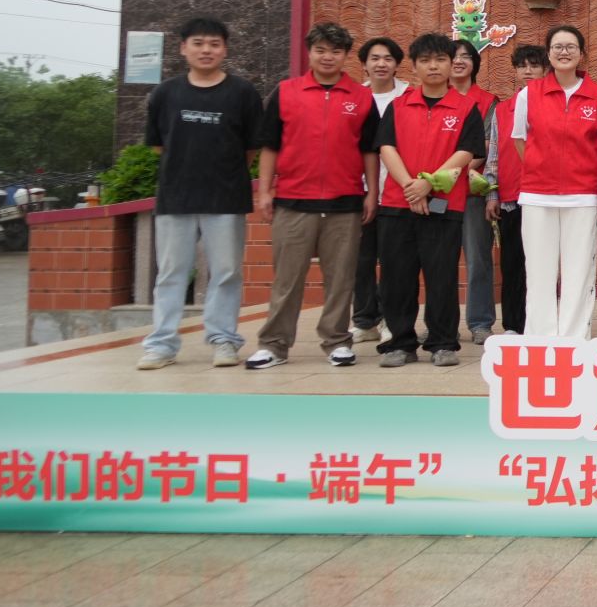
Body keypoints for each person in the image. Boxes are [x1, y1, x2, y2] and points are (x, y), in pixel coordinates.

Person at [245, 22, 376, 370]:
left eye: (335, 51)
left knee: (341, 280)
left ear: (346, 56)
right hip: (293, 201)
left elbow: (369, 151)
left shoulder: (361, 97)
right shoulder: (286, 92)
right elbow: (270, 146)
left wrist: (372, 193)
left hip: (345, 202)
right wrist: (265, 191)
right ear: (310, 52)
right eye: (320, 50)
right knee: (286, 280)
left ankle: (337, 341)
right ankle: (273, 344)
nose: (327, 57)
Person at [137, 18, 264, 371]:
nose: (206, 50)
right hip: (175, 196)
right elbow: (159, 145)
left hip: (225, 197)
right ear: (183, 48)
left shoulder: (243, 93)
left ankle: (223, 340)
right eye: (198, 43)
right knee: (171, 273)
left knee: (226, 272)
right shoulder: (165, 94)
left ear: (225, 49)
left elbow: (250, 148)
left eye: (214, 44)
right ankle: (161, 345)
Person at [374, 33, 486, 367]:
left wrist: (428, 184)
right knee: (397, 277)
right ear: (414, 66)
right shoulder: (399, 106)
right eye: (425, 60)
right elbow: (386, 147)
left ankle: (443, 342)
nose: (433, 66)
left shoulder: (466, 108)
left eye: (440, 59)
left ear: (451, 64)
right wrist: (410, 186)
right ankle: (400, 343)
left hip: (443, 206)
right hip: (397, 204)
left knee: (441, 276)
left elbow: (466, 152)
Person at [512, 25, 597, 340]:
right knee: (539, 272)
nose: (564, 52)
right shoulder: (529, 94)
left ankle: (573, 339)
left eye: (571, 46)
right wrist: (540, 165)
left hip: (582, 196)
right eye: (557, 46)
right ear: (549, 53)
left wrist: (578, 164)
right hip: (537, 195)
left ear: (581, 53)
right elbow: (520, 139)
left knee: (578, 272)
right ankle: (541, 339)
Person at [484, 44, 546, 335]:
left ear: (545, 69)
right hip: (512, 197)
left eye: (534, 65)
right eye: (522, 66)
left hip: (544, 196)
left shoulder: (552, 104)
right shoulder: (502, 109)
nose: (528, 71)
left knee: (542, 265)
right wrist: (492, 192)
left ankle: (542, 323)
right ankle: (513, 324)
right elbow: (494, 153)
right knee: (512, 264)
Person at [351, 35, 407, 344]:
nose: (381, 64)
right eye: (374, 58)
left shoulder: (408, 97)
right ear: (364, 64)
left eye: (387, 58)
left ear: (397, 64)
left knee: (393, 260)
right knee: (361, 259)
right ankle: (364, 320)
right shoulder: (356, 98)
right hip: (358, 189)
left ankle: (389, 319)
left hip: (397, 190)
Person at [448, 39, 502, 346]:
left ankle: (480, 322)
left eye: (466, 57)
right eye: (453, 56)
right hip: (438, 193)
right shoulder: (431, 98)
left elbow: (486, 144)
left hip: (471, 192)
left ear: (474, 64)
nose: (459, 61)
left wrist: (450, 173)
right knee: (440, 260)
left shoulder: (487, 101)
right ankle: (442, 323)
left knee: (479, 258)